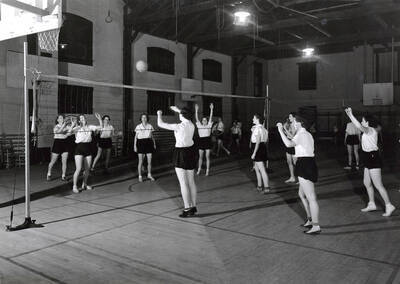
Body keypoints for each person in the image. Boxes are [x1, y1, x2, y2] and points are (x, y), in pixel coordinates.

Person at [345, 108, 396, 217]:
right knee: (367, 183)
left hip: (373, 158)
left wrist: (350, 115)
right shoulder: (368, 130)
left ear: (368, 122)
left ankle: (389, 205)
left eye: (363, 120)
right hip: (367, 157)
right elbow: (359, 127)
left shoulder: (370, 130)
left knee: (378, 184)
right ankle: (372, 203)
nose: (362, 122)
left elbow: (359, 126)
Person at [277, 116, 321, 235]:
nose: (293, 123)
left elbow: (289, 144)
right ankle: (310, 219)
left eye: (295, 122)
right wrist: (286, 131)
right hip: (308, 163)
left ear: (300, 123)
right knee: (301, 194)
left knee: (311, 197)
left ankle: (316, 225)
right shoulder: (306, 134)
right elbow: (293, 139)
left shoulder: (301, 134)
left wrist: (280, 130)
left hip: (305, 164)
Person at [157, 106, 198, 217]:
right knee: (191, 181)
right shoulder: (191, 124)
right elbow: (186, 115)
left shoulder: (178, 126)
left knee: (183, 183)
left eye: (180, 114)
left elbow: (160, 124)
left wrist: (159, 114)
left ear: (182, 115)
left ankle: (186, 209)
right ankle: (193, 206)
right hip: (191, 152)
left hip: (181, 153)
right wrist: (178, 110)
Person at [70, 113, 103, 193]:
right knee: (78, 169)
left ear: (85, 119)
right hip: (79, 148)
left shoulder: (90, 127)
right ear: (79, 120)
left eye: (83, 118)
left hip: (88, 148)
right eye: (80, 118)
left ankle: (84, 184)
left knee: (87, 169)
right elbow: (70, 131)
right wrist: (73, 125)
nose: (82, 119)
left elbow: (101, 127)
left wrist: (99, 119)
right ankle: (74, 186)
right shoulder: (77, 128)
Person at [47, 115, 72, 181]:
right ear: (57, 120)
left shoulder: (67, 126)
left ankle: (63, 176)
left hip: (65, 143)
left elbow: (69, 134)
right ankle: (49, 173)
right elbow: (58, 131)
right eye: (60, 118)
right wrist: (64, 125)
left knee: (64, 161)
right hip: (57, 143)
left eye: (62, 118)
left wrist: (72, 125)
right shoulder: (56, 127)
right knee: (53, 161)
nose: (61, 119)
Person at [134, 113, 156, 182]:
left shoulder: (150, 126)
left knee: (149, 161)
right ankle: (140, 176)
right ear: (141, 119)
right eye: (142, 117)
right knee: (140, 161)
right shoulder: (138, 126)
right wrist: (134, 145)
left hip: (148, 143)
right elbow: (136, 137)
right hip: (140, 143)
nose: (144, 119)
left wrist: (154, 143)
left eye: (145, 117)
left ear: (147, 119)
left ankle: (149, 174)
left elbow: (152, 136)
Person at [250, 114, 270, 194]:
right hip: (262, 147)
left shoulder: (258, 128)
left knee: (262, 169)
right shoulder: (264, 129)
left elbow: (258, 142)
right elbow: (265, 141)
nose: (252, 119)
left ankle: (267, 188)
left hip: (258, 148)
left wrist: (254, 153)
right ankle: (259, 186)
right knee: (257, 168)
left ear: (257, 119)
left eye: (254, 118)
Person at [195, 103, 214, 176]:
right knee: (200, 157)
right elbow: (196, 118)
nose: (204, 121)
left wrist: (211, 109)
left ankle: (207, 170)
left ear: (207, 121)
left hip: (207, 141)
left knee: (207, 157)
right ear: (202, 121)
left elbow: (211, 117)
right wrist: (196, 110)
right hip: (201, 141)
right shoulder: (199, 125)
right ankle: (199, 169)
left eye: (205, 120)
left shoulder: (209, 125)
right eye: (203, 120)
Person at [283, 113, 297, 183]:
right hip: (288, 144)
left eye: (290, 116)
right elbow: (287, 135)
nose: (289, 117)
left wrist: (285, 129)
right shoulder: (289, 124)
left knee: (295, 162)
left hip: (293, 145)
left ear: (294, 117)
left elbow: (292, 137)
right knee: (289, 162)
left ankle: (301, 178)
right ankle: (292, 177)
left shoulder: (295, 125)